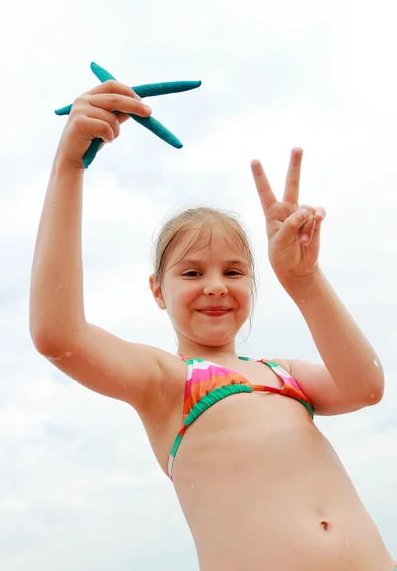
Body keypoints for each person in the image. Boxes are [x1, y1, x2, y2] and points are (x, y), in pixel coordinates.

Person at [29, 80, 395, 571]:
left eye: (234, 271)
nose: (217, 286)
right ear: (158, 290)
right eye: (193, 272)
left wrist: (303, 279)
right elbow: (59, 337)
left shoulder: (283, 374)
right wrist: (69, 167)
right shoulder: (167, 382)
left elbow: (366, 386)